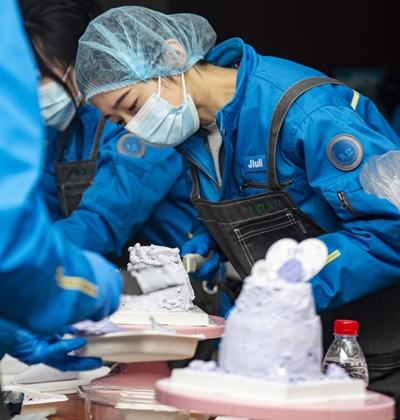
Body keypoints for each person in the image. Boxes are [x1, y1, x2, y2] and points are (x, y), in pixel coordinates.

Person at [75, 6, 400, 416]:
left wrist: (290, 284)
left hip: (370, 346)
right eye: (118, 121)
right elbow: (249, 206)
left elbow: (391, 228)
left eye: (132, 105)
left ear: (173, 56)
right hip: (292, 349)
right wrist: (207, 245)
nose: (134, 125)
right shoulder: (195, 132)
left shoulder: (304, 110)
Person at [20, 0, 196, 262]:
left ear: (79, 61)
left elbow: (103, 222)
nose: (35, 89)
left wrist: (27, 255)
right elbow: (42, 210)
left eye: (42, 76)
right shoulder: (61, 133)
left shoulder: (140, 119)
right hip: (110, 272)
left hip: (177, 276)